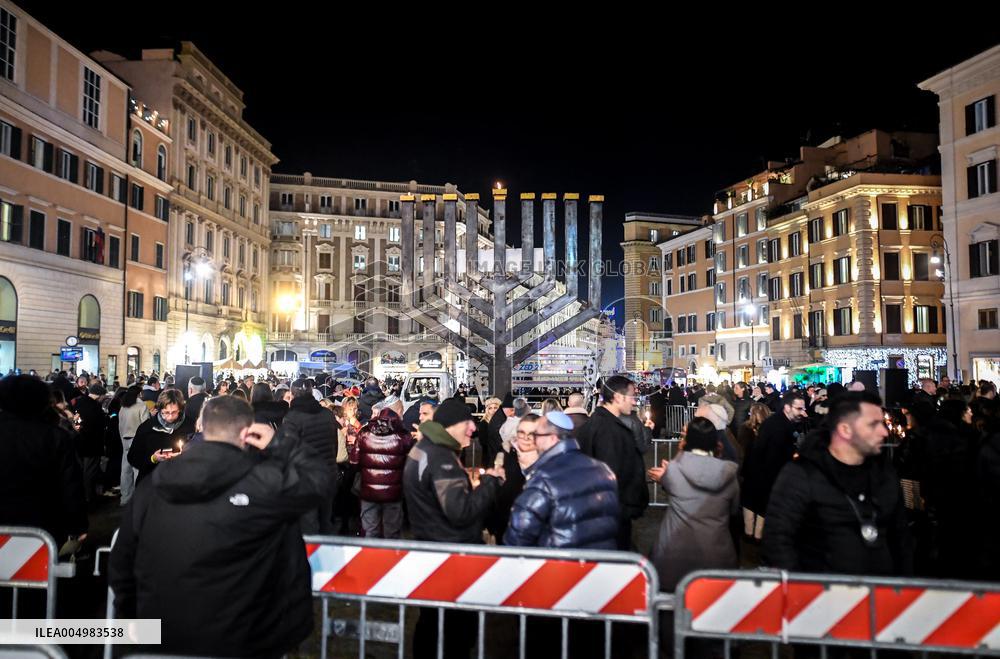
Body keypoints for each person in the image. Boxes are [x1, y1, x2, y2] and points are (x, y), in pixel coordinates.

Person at [110, 396, 330, 657]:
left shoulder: (152, 486)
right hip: (248, 637)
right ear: (248, 432)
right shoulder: (263, 481)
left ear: (202, 426)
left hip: (167, 634)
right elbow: (320, 479)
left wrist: (135, 617)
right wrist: (280, 442)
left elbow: (122, 560)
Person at [763, 392, 910, 575]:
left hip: (882, 596)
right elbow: (778, 540)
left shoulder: (885, 474)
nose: (884, 431)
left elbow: (900, 538)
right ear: (845, 429)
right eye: (873, 424)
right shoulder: (801, 475)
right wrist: (805, 592)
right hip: (822, 595)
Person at [404, 398, 505, 658]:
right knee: (453, 632)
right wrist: (490, 484)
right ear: (450, 426)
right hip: (449, 557)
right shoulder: (441, 457)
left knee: (431, 623)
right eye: (467, 422)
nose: (473, 428)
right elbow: (460, 512)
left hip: (432, 549)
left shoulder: (427, 448)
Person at [648, 416, 739, 591]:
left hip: (674, 553)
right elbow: (734, 509)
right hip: (716, 552)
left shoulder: (674, 469)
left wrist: (665, 477)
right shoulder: (728, 474)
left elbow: (672, 487)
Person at [504, 411, 618, 548]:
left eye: (536, 435)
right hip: (600, 563)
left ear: (552, 438)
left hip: (559, 564)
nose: (533, 440)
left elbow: (518, 537)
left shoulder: (543, 478)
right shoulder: (602, 469)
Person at [0, 375, 88, 552]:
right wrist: (77, 524)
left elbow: (80, 428)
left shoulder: (64, 418)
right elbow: (70, 484)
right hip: (41, 520)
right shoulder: (55, 434)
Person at [577, 376, 649, 550]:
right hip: (610, 514)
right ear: (618, 397)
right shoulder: (608, 430)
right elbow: (611, 474)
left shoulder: (597, 423)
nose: (634, 402)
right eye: (632, 396)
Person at [741, 391, 808, 532]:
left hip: (765, 474)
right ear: (787, 407)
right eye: (799, 408)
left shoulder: (780, 423)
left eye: (803, 408)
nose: (802, 412)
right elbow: (774, 456)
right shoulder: (778, 426)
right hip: (768, 476)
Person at [280, 378, 339, 534]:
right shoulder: (327, 414)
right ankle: (327, 556)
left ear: (292, 395)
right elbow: (335, 444)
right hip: (328, 473)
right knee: (325, 520)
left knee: (309, 526)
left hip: (304, 479)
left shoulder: (292, 418)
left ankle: (311, 558)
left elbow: (288, 451)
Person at [349, 396, 413, 538]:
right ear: (397, 411)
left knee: (370, 530)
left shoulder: (364, 432)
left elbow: (354, 461)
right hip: (394, 493)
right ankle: (390, 559)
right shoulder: (404, 435)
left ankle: (369, 559)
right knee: (392, 531)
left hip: (368, 491)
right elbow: (410, 464)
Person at [128, 389, 195, 483]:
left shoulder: (191, 426)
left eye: (174, 412)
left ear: (180, 409)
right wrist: (153, 458)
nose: (170, 417)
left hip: (180, 484)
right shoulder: (147, 427)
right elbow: (132, 457)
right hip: (151, 483)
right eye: (166, 412)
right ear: (159, 410)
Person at [72, 382, 109, 501]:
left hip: (80, 442)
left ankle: (84, 495)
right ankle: (89, 498)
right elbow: (99, 426)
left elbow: (77, 421)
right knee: (89, 472)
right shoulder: (95, 407)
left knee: (83, 470)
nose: (104, 398)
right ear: (99, 395)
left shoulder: (80, 402)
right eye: (104, 396)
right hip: (92, 444)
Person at [118, 385, 150, 506]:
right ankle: (138, 498)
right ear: (140, 394)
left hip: (125, 439)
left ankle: (125, 497)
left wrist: (122, 440)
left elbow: (120, 425)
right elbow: (145, 425)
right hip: (137, 441)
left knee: (125, 470)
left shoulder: (123, 406)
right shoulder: (142, 406)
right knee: (137, 470)